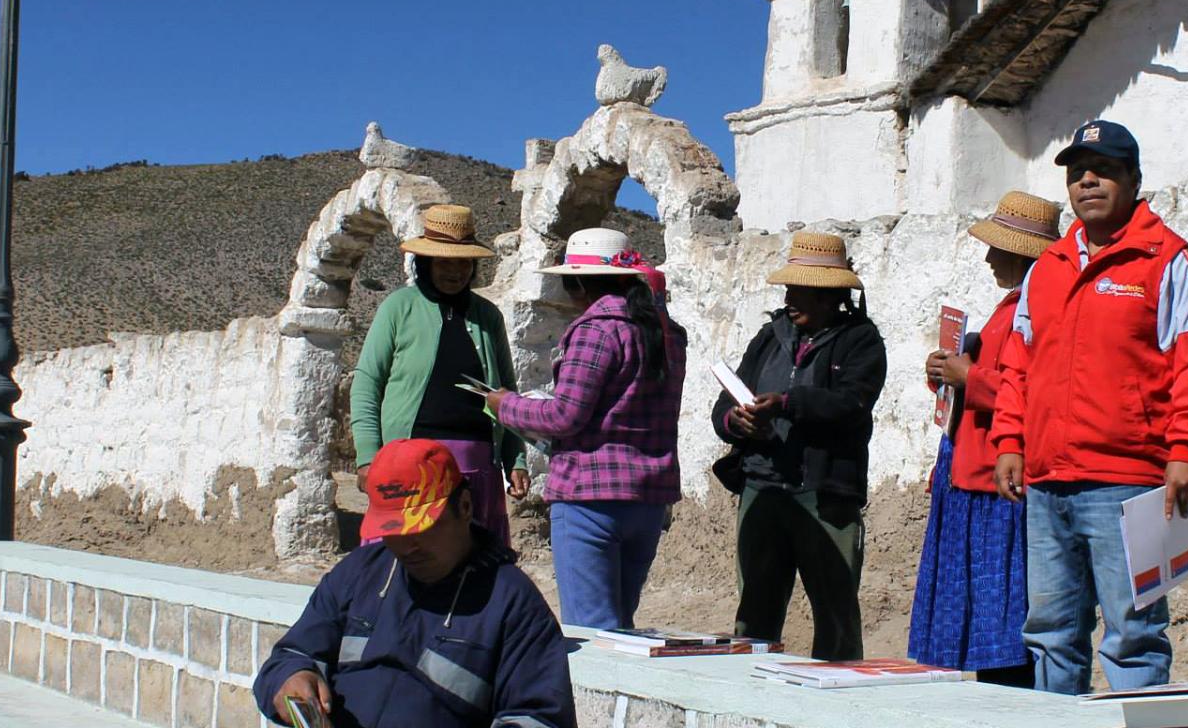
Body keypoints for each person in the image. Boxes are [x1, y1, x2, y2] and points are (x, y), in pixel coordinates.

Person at [190, 439, 573, 728]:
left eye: (421, 528)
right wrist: (291, 680)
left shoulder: (512, 602)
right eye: (394, 531)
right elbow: (293, 654)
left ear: (464, 508)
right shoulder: (360, 572)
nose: (407, 545)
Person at [992, 120, 1188, 694]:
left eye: (1104, 171)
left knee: (1133, 633)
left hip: (1130, 485)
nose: (1088, 182)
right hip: (1048, 485)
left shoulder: (1167, 258)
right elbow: (1016, 364)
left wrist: (1185, 449)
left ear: (1134, 180)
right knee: (1050, 633)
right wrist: (1009, 442)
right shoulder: (1046, 270)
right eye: (1077, 174)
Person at [484, 228, 685, 631]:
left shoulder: (596, 331)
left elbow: (564, 417)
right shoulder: (666, 333)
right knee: (621, 626)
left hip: (590, 496)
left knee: (592, 632)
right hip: (648, 497)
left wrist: (505, 405)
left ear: (577, 283)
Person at [907, 191, 1058, 686]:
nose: (990, 258)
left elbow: (1033, 392)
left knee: (1002, 606)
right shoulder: (1008, 309)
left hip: (998, 477)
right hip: (970, 472)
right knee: (984, 604)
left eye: (998, 249)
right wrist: (948, 372)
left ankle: (1012, 694)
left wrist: (970, 376)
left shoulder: (1037, 312)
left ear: (1020, 253)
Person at [712, 232, 886, 661]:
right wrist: (738, 420)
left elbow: (850, 403)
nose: (789, 298)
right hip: (763, 487)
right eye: (788, 288)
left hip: (824, 495)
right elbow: (725, 404)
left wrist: (786, 404)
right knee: (755, 610)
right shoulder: (770, 337)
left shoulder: (861, 342)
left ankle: (838, 699)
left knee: (835, 610)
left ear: (828, 295)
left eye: (799, 289)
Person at [349, 204, 528, 548]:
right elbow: (367, 384)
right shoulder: (398, 308)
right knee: (406, 558)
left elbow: (507, 392)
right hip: (408, 462)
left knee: (472, 562)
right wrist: (368, 456)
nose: (455, 271)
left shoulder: (488, 316)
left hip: (476, 464)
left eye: (464, 262)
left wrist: (514, 458)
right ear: (425, 263)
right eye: (445, 262)